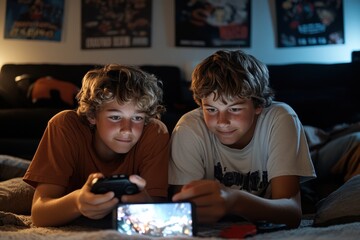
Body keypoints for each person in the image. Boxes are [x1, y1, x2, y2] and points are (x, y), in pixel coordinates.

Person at [168, 50, 316, 229]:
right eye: (212, 109)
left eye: (235, 109)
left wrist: (235, 201)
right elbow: (184, 212)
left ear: (258, 105)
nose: (222, 122)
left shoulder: (280, 118)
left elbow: (292, 213)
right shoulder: (189, 128)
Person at [23, 64, 170, 227]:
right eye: (115, 117)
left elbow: (158, 211)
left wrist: (145, 204)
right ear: (93, 115)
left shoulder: (154, 131)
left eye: (137, 118)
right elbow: (39, 214)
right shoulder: (64, 126)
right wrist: (77, 202)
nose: (127, 130)